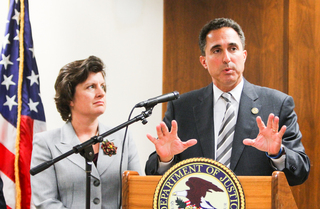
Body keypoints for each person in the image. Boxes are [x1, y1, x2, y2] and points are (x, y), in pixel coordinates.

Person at [145, 18, 310, 186]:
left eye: (233, 49)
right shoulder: (182, 107)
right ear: (204, 61)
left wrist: (278, 154)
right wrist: (166, 159)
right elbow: (153, 173)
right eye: (217, 50)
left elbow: (300, 172)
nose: (227, 58)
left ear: (244, 56)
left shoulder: (277, 104)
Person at [31, 56, 141, 209]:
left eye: (102, 86)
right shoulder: (46, 143)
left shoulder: (123, 138)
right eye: (91, 86)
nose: (101, 93)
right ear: (70, 98)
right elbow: (46, 202)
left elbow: (137, 196)